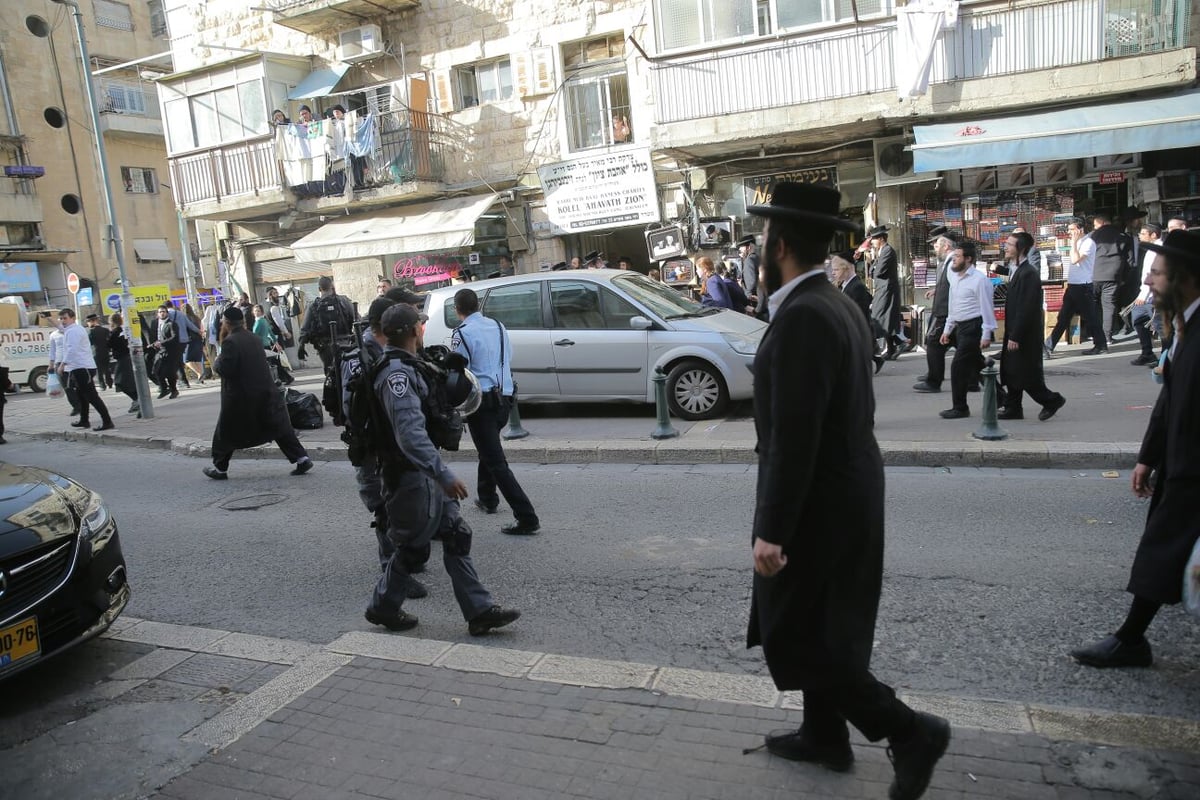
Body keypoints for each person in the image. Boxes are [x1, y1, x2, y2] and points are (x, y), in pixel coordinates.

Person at [744, 182, 949, 800]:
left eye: (760, 238)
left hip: (820, 501)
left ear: (778, 244)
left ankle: (909, 731)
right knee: (820, 622)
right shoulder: (833, 300)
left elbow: (796, 436)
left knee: (808, 638)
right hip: (846, 487)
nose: (756, 248)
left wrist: (772, 529)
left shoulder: (806, 314)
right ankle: (822, 736)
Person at [1071, 229, 1200, 668]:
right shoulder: (1185, 324)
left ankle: (1130, 639)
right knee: (1161, 554)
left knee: (1161, 553)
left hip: (1192, 470)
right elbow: (1169, 399)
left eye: (1158, 275)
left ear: (1185, 278)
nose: (1148, 283)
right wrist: (1148, 456)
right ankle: (1130, 639)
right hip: (1179, 466)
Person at [364, 303, 521, 635]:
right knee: (413, 549)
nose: (423, 329)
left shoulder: (409, 364)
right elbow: (409, 435)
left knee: (456, 534)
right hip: (408, 476)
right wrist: (443, 474)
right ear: (411, 331)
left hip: (422, 474)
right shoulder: (396, 374)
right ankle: (382, 606)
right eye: (419, 325)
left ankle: (479, 611)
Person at [451, 288, 540, 536]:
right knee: (489, 447)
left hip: (482, 402)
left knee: (495, 460)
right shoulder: (498, 326)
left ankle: (526, 517)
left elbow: (460, 369)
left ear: (457, 310)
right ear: (477, 305)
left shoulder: (462, 333)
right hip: (506, 397)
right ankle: (487, 497)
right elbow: (507, 356)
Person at [203, 306, 313, 480]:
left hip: (241, 397)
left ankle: (220, 468)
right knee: (280, 428)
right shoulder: (252, 338)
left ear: (227, 323)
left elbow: (226, 369)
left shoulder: (231, 342)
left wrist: (216, 362)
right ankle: (302, 458)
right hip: (265, 392)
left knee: (225, 432)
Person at [998, 231, 1066, 422]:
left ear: (1020, 249)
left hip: (1024, 335)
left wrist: (1015, 335)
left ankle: (1052, 400)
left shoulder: (1029, 273)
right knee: (1012, 370)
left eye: (1010, 244)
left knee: (1026, 374)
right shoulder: (1017, 269)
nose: (1006, 247)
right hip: (1015, 330)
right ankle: (1013, 408)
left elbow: (1026, 308)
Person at [936, 242, 996, 420]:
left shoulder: (979, 280)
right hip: (960, 327)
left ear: (968, 259)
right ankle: (1002, 398)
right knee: (978, 365)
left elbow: (987, 308)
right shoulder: (954, 278)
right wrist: (947, 330)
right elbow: (954, 306)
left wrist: (986, 334)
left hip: (974, 326)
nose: (954, 260)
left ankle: (960, 407)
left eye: (957, 257)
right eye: (953, 257)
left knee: (958, 367)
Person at [1046, 217, 1106, 356]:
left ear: (1080, 229)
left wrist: (1073, 243)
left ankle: (1101, 344)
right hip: (1073, 285)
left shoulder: (1088, 243)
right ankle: (1049, 345)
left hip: (1083, 285)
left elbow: (1075, 260)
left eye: (1072, 229)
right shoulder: (1079, 242)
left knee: (1090, 317)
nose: (1069, 232)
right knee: (1064, 317)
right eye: (1069, 230)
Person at [914, 228, 958, 393]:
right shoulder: (946, 261)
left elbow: (955, 287)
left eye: (936, 245)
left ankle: (934, 381)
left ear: (946, 246)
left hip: (946, 311)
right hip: (946, 310)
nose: (934, 248)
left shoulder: (953, 261)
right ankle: (974, 380)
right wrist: (936, 289)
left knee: (933, 342)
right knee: (965, 349)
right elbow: (947, 284)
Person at [56, 308, 115, 432]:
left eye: (65, 318)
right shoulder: (71, 329)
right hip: (79, 367)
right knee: (81, 395)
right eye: (61, 319)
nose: (62, 321)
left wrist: (62, 365)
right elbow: (61, 329)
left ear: (72, 318)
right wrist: (49, 319)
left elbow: (72, 349)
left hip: (83, 368)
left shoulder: (73, 331)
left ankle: (107, 421)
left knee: (92, 396)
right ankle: (84, 420)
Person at [831, 253, 883, 375]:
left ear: (846, 268)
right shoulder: (845, 285)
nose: (833, 273)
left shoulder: (856, 286)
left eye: (836, 269)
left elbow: (859, 314)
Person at [1089, 212, 1132, 353]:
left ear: (1101, 223)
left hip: (1094, 275)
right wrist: (1124, 277)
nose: (1094, 227)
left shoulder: (1093, 236)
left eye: (1095, 225)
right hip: (1114, 275)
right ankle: (1107, 336)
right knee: (1109, 306)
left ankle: (1095, 335)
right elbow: (1130, 260)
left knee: (1092, 306)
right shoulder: (1122, 236)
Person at [300, 276, 355, 371]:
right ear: (332, 287)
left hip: (325, 347)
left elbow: (305, 328)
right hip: (346, 342)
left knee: (330, 372)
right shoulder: (344, 300)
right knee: (347, 369)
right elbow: (356, 318)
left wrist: (301, 345)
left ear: (319, 289)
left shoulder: (313, 305)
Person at [866, 225, 903, 359]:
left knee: (881, 317)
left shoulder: (887, 251)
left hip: (887, 290)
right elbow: (872, 272)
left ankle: (898, 343)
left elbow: (878, 272)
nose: (872, 242)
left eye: (874, 239)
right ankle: (894, 346)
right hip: (882, 289)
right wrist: (873, 264)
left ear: (881, 238)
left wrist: (874, 267)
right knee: (883, 318)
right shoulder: (880, 251)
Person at [1131, 223, 1162, 367]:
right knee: (1137, 320)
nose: (1140, 236)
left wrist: (1143, 294)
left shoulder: (1159, 250)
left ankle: (1165, 360)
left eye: (1143, 234)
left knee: (1160, 327)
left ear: (1153, 235)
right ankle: (1147, 353)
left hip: (1154, 295)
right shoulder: (1150, 249)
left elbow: (1153, 274)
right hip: (1145, 293)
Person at [107, 313, 139, 415]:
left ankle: (137, 399)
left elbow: (109, 344)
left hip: (123, 359)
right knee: (126, 382)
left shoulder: (116, 332)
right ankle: (137, 399)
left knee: (120, 381)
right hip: (125, 358)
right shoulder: (122, 331)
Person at [265, 286, 299, 372]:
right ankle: (284, 376)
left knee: (275, 356)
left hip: (270, 335)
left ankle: (282, 375)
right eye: (275, 293)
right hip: (276, 334)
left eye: (277, 293)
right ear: (270, 295)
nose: (277, 295)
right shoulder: (273, 308)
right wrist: (286, 332)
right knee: (278, 356)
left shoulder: (265, 306)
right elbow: (279, 322)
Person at [151, 305, 182, 398]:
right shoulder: (156, 324)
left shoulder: (172, 324)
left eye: (164, 311)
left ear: (167, 313)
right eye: (160, 312)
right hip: (160, 352)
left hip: (170, 352)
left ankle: (174, 390)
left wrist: (162, 343)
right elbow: (154, 336)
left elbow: (175, 337)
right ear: (158, 314)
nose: (162, 313)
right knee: (156, 370)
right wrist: (153, 344)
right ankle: (164, 388)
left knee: (169, 373)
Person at [737, 235, 763, 318]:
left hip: (754, 301)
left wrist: (742, 285)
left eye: (741, 247)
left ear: (749, 247)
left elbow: (751, 283)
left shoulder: (749, 260)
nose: (739, 249)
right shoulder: (757, 257)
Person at [86, 314, 113, 390]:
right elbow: (109, 340)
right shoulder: (105, 330)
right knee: (107, 368)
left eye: (88, 322)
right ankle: (110, 383)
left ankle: (102, 385)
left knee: (99, 370)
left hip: (95, 353)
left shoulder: (90, 332)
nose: (88, 324)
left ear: (92, 321)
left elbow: (89, 343)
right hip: (105, 352)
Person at [182, 303, 205, 384]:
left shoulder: (184, 318)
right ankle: (201, 377)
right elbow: (202, 328)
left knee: (186, 359)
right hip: (199, 339)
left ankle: (199, 373)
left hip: (190, 340)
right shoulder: (197, 318)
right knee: (197, 359)